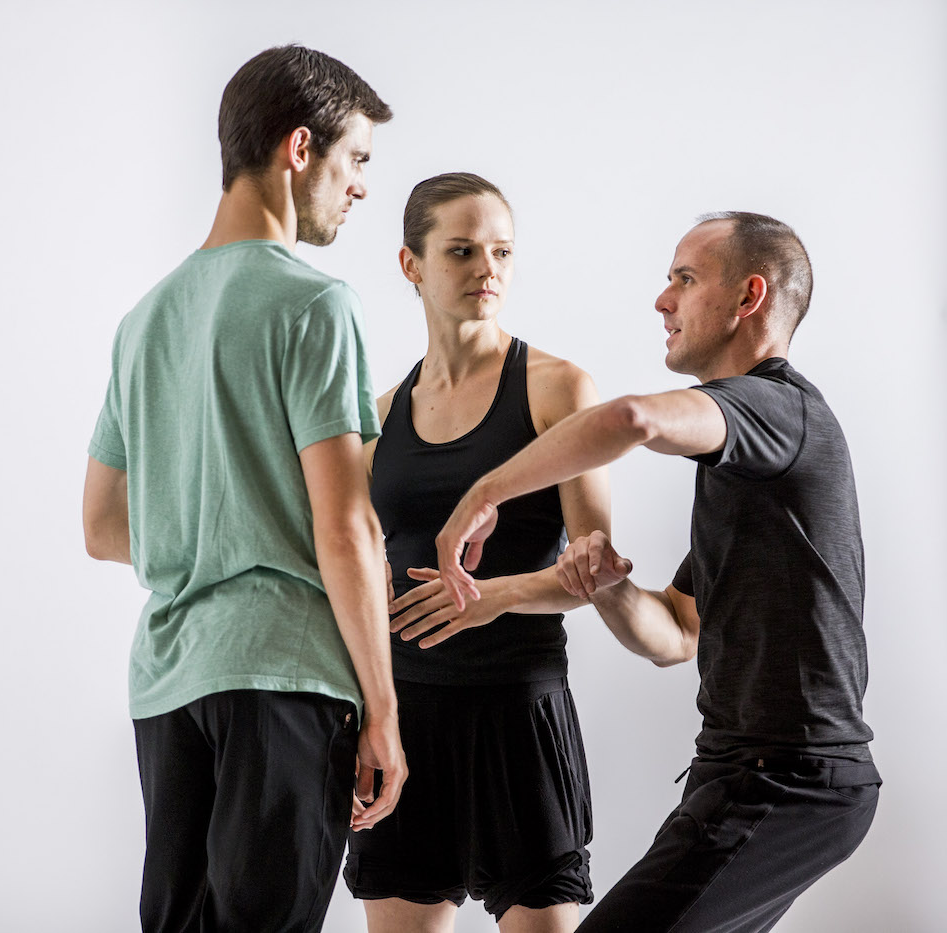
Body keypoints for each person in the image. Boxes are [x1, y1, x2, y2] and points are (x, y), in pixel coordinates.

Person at [434, 212, 880, 932]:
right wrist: (607, 587)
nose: (661, 300)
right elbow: (674, 634)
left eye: (684, 278)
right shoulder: (751, 471)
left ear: (748, 297)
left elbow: (635, 417)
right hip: (746, 777)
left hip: (787, 779)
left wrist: (486, 491)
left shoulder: (778, 408)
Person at [82, 45, 407, 933]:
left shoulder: (143, 321)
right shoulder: (313, 304)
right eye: (358, 160)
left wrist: (202, 535)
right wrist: (383, 709)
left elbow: (102, 524)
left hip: (168, 681)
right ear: (300, 148)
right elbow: (346, 528)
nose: (363, 188)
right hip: (285, 672)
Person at [343, 173, 611, 933]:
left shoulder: (559, 389)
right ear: (411, 265)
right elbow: (351, 570)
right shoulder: (382, 415)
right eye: (461, 251)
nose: (486, 269)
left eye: (501, 251)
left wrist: (495, 594)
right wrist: (366, 710)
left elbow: (595, 571)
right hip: (407, 717)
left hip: (518, 712)